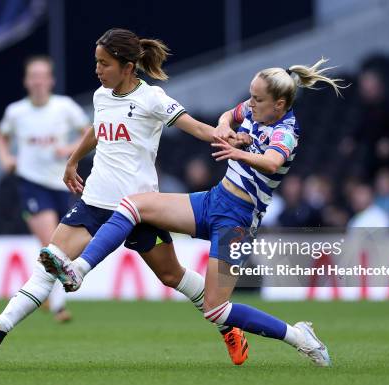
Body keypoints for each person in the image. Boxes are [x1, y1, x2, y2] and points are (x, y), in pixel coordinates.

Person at [0, 28, 252, 365]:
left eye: (105, 63)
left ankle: (228, 327)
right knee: (49, 261)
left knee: (172, 276)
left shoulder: (152, 99)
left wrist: (224, 134)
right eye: (96, 62)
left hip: (140, 209)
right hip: (94, 203)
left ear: (127, 67)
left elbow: (197, 128)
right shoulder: (102, 95)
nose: (98, 69)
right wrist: (72, 160)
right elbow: (98, 129)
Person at [45, 59, 348, 367]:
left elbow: (271, 162)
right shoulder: (256, 109)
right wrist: (224, 127)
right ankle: (79, 269)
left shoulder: (286, 131)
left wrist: (238, 151)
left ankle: (298, 337)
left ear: (279, 103)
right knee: (134, 204)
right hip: (214, 201)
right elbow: (230, 114)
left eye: (257, 99)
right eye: (251, 96)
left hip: (238, 220)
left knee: (216, 309)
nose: (250, 103)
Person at [0, 55, 91, 322]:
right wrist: (6, 159)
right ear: (27, 81)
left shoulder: (64, 107)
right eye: (33, 76)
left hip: (61, 184)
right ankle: (59, 305)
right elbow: (1, 137)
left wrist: (70, 149)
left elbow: (89, 132)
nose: (38, 81)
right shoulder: (16, 112)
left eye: (42, 76)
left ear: (51, 80)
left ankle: (50, 296)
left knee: (62, 246)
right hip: (31, 183)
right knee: (51, 243)